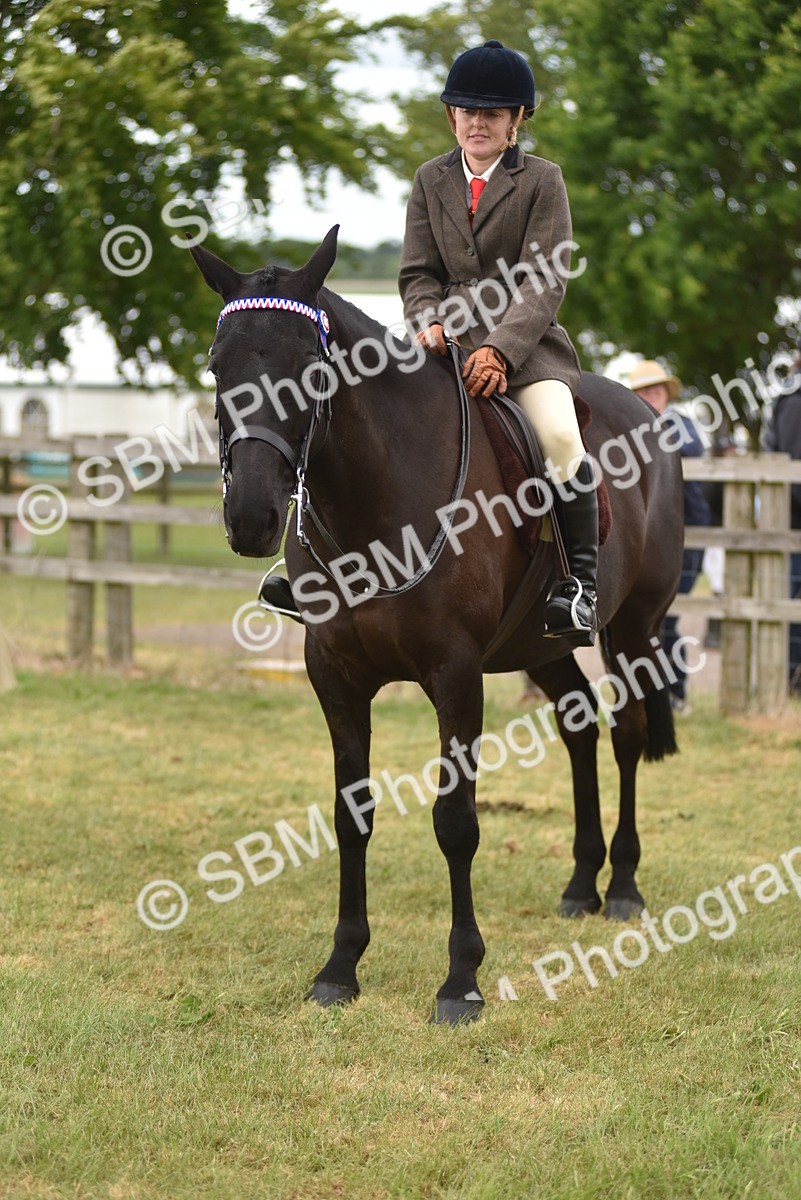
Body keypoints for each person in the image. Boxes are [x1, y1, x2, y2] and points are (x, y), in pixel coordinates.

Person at [398, 39, 598, 646]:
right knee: (360, 415)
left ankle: (579, 586)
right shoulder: (430, 178)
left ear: (515, 122)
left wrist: (501, 351)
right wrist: (426, 319)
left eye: (492, 113)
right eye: (466, 110)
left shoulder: (542, 180)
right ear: (452, 116)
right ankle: (314, 566)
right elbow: (417, 271)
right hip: (444, 342)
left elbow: (545, 277)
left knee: (561, 436)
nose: (477, 122)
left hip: (527, 344)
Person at [629, 359, 711, 712]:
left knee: (670, 617)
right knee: (648, 617)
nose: (652, 396)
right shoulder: (630, 429)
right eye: (644, 391)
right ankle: (652, 692)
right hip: (650, 538)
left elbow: (686, 449)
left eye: (656, 390)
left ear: (666, 394)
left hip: (685, 536)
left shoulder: (680, 425)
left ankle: (675, 692)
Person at [761, 350, 801, 693]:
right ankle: (786, 679)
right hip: (791, 520)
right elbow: (782, 457)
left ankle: (788, 679)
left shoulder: (786, 400)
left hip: (789, 515)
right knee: (785, 608)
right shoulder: (792, 402)